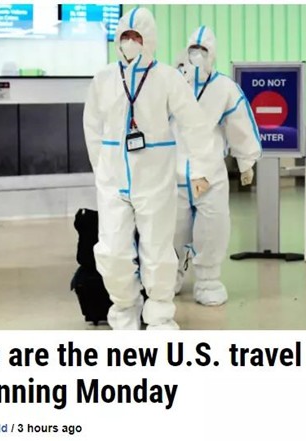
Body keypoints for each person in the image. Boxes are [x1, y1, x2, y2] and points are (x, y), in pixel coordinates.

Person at [83, 7, 215, 330]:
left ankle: (159, 315)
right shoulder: (103, 79)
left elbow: (194, 125)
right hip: (113, 181)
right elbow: (92, 127)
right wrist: (101, 168)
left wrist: (200, 169)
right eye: (125, 36)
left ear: (149, 39)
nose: (130, 42)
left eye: (137, 36)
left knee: (157, 252)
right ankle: (125, 309)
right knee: (112, 252)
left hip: (154, 179)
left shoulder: (167, 78)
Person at [172, 26, 262, 306]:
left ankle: (208, 280)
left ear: (213, 55)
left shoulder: (224, 88)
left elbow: (240, 124)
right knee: (171, 228)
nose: (197, 55)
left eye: (203, 50)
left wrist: (246, 161)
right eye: (193, 50)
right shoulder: (171, 82)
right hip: (173, 172)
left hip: (209, 173)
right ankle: (170, 273)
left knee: (213, 227)